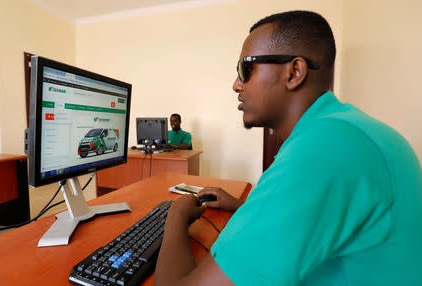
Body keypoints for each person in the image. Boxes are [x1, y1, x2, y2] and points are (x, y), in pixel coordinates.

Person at [154, 10, 422, 286]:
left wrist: (175, 216)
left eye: (245, 69)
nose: (236, 85)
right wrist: (246, 207)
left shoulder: (325, 148)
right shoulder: (344, 130)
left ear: (294, 72)